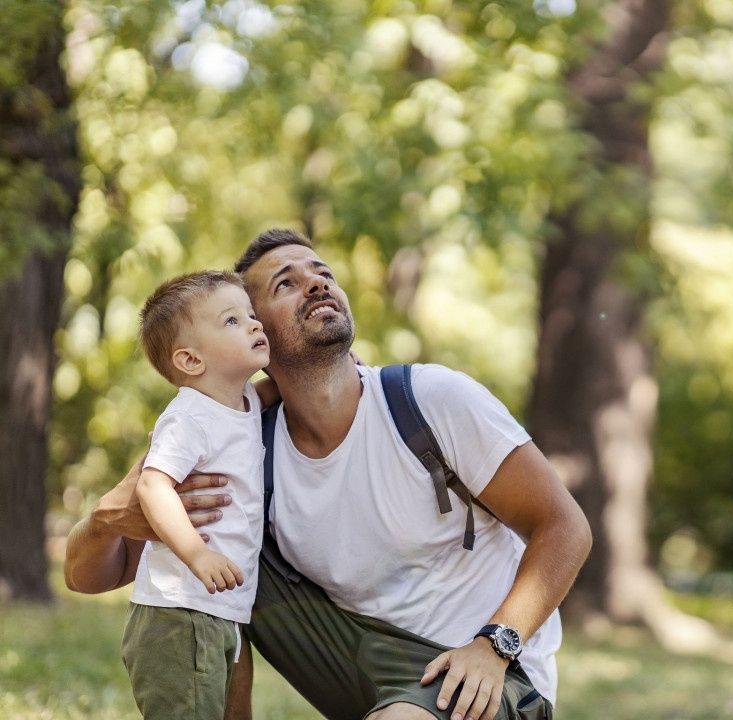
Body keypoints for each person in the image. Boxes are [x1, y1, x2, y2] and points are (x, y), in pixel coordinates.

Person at [64, 229, 592, 720]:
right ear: (256, 333)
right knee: (227, 565)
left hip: (483, 671)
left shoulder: (433, 399)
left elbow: (565, 526)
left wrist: (495, 643)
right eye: (284, 284)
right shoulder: (238, 438)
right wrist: (104, 523)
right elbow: (90, 575)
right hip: (357, 658)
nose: (316, 283)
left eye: (322, 273)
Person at [119, 270, 273, 719]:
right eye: (231, 321)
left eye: (250, 315)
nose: (254, 324)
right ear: (189, 361)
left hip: (217, 608)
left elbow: (268, 393)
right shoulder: (189, 417)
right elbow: (153, 483)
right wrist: (197, 555)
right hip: (180, 610)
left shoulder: (242, 401)